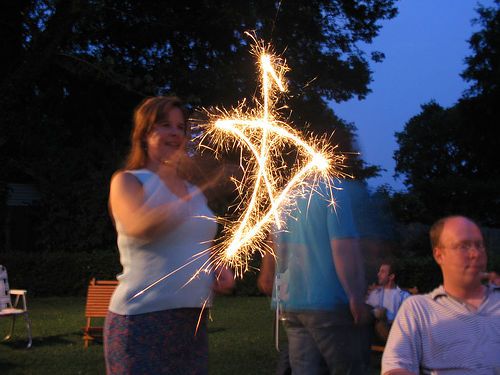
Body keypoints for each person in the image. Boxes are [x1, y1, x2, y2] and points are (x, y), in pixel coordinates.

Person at [104, 96, 234, 374]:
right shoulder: (128, 181)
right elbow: (140, 228)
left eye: (180, 127)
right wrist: (191, 187)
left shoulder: (191, 188)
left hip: (191, 321)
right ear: (144, 134)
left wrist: (215, 265)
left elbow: (196, 240)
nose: (175, 133)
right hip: (141, 320)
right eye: (164, 125)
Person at [258, 179, 370, 375]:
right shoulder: (333, 191)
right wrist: (354, 294)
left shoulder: (286, 194)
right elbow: (342, 247)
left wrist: (267, 274)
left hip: (290, 300)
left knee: (304, 369)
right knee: (348, 368)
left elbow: (273, 241)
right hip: (327, 300)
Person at [382, 215, 500, 375]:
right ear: (439, 255)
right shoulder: (419, 309)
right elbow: (394, 368)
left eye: (479, 246)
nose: (476, 254)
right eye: (463, 246)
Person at [365, 261, 411, 342]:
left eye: (382, 272)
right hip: (374, 331)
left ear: (391, 276)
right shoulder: (375, 294)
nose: (378, 274)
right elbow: (367, 312)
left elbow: (408, 320)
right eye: (379, 271)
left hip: (394, 331)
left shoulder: (404, 296)